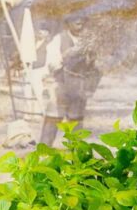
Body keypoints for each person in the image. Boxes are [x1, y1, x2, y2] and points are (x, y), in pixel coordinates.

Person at [39, 16, 100, 145]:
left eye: (82, 23)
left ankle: (77, 154)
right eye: (76, 22)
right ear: (68, 23)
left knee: (76, 120)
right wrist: (67, 55)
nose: (80, 25)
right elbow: (51, 64)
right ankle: (43, 151)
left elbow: (94, 68)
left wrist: (91, 58)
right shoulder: (59, 40)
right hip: (60, 84)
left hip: (79, 86)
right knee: (53, 117)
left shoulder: (87, 41)